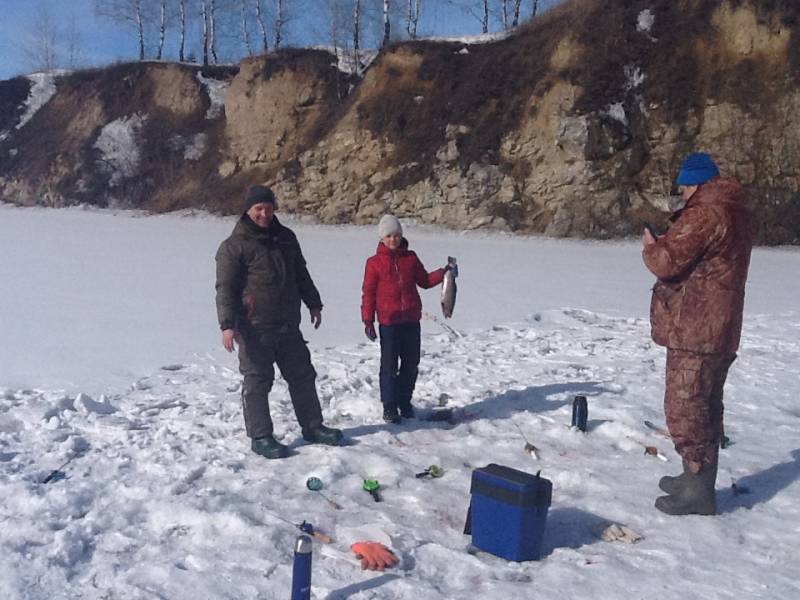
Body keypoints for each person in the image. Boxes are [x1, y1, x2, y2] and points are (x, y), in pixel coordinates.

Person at [642, 152, 754, 515]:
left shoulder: (706, 213)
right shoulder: (735, 211)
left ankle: (699, 490)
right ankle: (694, 476)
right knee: (704, 401)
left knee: (686, 404)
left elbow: (666, 261)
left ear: (697, 184)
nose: (684, 194)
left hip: (697, 326)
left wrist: (651, 247)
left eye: (686, 186)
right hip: (718, 325)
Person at [215, 185, 343, 459]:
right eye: (258, 209)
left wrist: (314, 302)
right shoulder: (233, 246)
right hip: (254, 328)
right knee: (258, 381)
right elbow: (225, 288)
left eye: (268, 208)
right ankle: (260, 436)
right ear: (248, 210)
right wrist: (228, 325)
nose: (264, 214)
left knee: (302, 376)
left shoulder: (286, 238)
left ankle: (312, 426)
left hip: (287, 324)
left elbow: (300, 273)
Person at [361, 215, 448, 424]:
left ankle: (404, 401)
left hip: (410, 320)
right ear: (382, 238)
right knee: (389, 366)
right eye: (389, 236)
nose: (394, 240)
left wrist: (444, 273)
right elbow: (368, 293)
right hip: (389, 322)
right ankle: (389, 406)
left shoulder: (410, 258)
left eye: (397, 235)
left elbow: (424, 281)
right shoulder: (374, 263)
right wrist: (368, 321)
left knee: (410, 364)